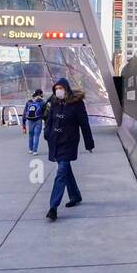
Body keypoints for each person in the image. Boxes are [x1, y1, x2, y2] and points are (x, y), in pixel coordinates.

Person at [43, 78, 94, 221]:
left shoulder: (77, 104)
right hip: (55, 142)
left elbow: (84, 124)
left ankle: (53, 207)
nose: (58, 90)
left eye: (60, 88)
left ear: (66, 88)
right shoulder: (54, 102)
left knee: (61, 172)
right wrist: (47, 133)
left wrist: (89, 143)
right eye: (56, 88)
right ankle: (75, 195)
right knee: (65, 170)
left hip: (69, 142)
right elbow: (49, 120)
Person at [22, 88, 46, 155]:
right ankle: (35, 151)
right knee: (36, 136)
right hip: (38, 120)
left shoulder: (29, 102)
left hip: (30, 121)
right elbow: (45, 114)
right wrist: (46, 124)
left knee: (31, 135)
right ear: (41, 94)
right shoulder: (42, 103)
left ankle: (30, 149)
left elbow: (24, 114)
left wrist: (23, 125)